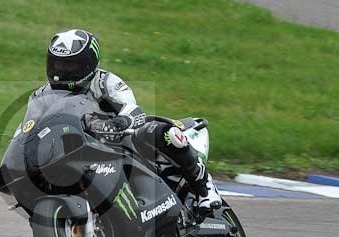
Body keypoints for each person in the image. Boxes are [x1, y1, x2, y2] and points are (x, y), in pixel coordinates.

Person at [44, 28, 222, 211]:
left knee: (164, 133)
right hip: (81, 151)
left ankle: (205, 187)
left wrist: (118, 123)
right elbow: (29, 127)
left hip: (122, 143)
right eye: (57, 64)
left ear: (88, 64)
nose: (61, 71)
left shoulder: (106, 82)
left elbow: (134, 110)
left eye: (70, 65)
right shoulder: (43, 95)